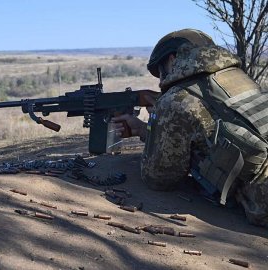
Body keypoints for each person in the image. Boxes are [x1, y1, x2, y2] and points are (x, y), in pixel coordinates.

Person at [113, 28, 268, 227]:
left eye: (160, 71)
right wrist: (146, 130)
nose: (161, 81)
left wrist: (157, 125)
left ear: (172, 59)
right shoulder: (240, 79)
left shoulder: (176, 99)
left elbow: (158, 177)